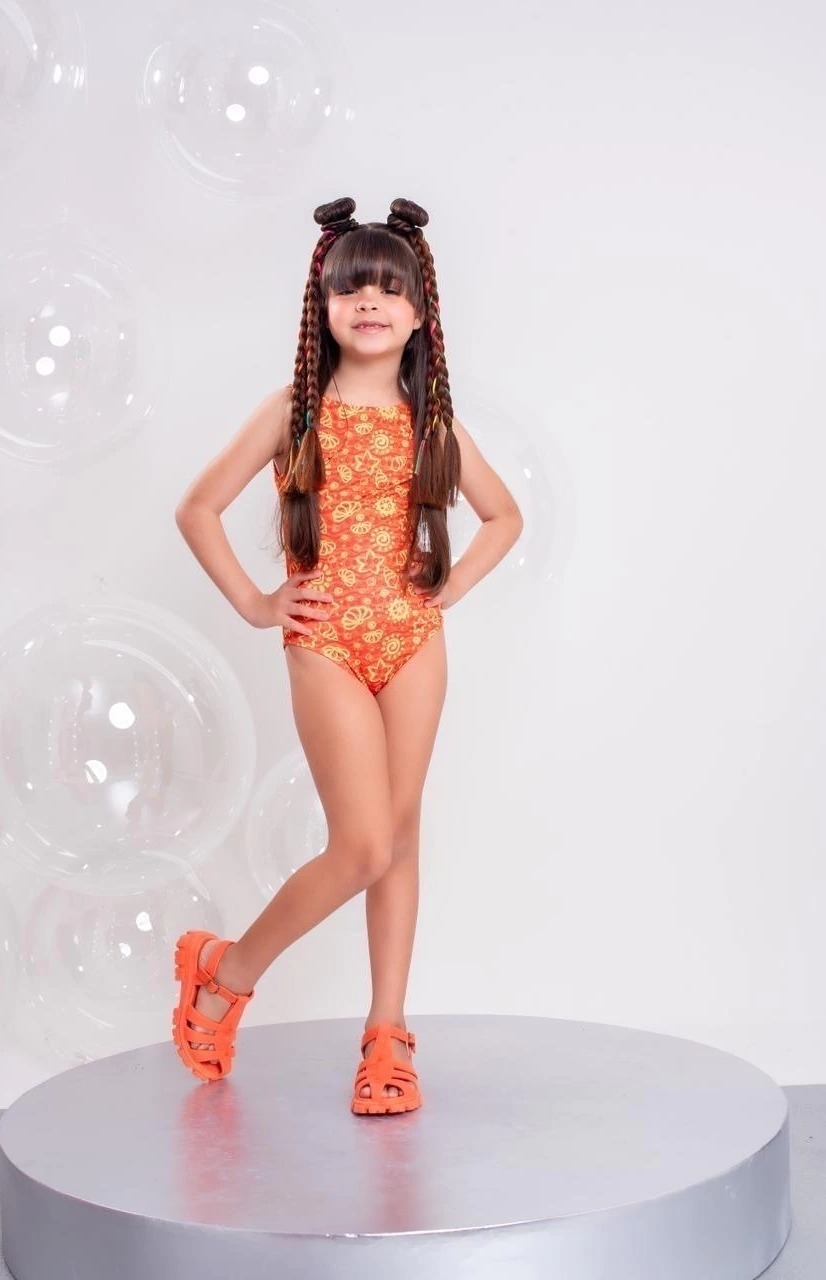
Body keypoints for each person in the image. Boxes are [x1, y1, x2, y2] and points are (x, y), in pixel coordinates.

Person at [171, 196, 523, 1113]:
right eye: (351, 287)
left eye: (389, 288)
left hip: (412, 640)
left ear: (420, 313)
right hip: (324, 639)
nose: (370, 301)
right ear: (322, 307)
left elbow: (504, 516)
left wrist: (449, 588)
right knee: (362, 845)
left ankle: (387, 1035)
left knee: (399, 838)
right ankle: (226, 973)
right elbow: (197, 508)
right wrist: (257, 603)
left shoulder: (432, 423)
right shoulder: (293, 412)